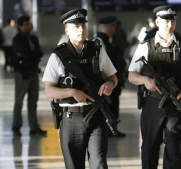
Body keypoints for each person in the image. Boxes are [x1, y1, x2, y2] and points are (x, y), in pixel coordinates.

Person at [42, 8, 118, 169]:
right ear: (66, 29)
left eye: (83, 25)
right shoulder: (58, 56)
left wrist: (110, 84)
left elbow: (113, 77)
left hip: (97, 116)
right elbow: (49, 90)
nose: (81, 29)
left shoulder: (97, 50)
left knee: (99, 164)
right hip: (71, 120)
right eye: (76, 26)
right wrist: (71, 92)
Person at [128, 5, 181, 169]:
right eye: (166, 21)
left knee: (174, 151)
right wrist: (145, 80)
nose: (169, 24)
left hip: (176, 104)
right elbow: (131, 75)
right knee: (149, 148)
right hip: (153, 104)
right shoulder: (146, 46)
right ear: (157, 22)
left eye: (172, 21)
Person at [12, 15, 46, 137]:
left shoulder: (33, 38)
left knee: (33, 102)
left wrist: (31, 54)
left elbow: (39, 53)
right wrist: (33, 54)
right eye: (26, 24)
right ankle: (16, 126)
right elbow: (28, 54)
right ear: (20, 26)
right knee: (19, 101)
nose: (29, 26)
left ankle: (34, 126)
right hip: (22, 73)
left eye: (29, 23)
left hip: (33, 72)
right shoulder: (17, 39)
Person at [95, 16, 126, 137]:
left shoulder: (107, 40)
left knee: (113, 106)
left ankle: (112, 129)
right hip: (106, 81)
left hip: (112, 81)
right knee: (109, 107)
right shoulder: (100, 40)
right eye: (113, 27)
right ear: (110, 28)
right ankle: (109, 129)